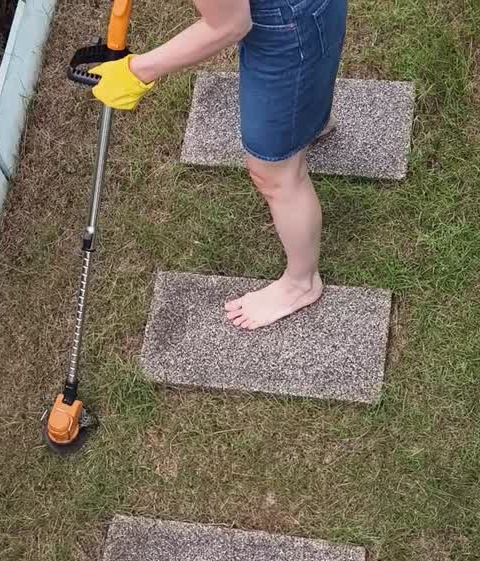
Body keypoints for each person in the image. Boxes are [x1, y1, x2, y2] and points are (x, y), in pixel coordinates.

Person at [89, 0, 348, 329]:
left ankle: (301, 283)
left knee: (274, 175)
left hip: (285, 25)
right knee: (308, 49)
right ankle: (307, 121)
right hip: (305, 12)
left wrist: (136, 72)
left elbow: (230, 25)